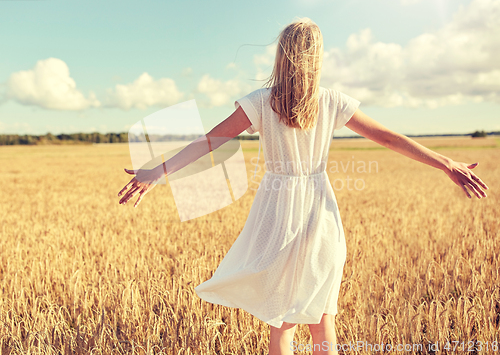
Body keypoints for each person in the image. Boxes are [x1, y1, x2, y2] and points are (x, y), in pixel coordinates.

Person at [118, 18, 488, 355]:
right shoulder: (331, 101)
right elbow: (388, 139)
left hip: (277, 211)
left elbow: (212, 140)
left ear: (281, 56)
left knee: (282, 324)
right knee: (322, 320)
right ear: (316, 57)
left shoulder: (261, 102)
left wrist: (160, 171)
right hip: (319, 212)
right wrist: (445, 162)